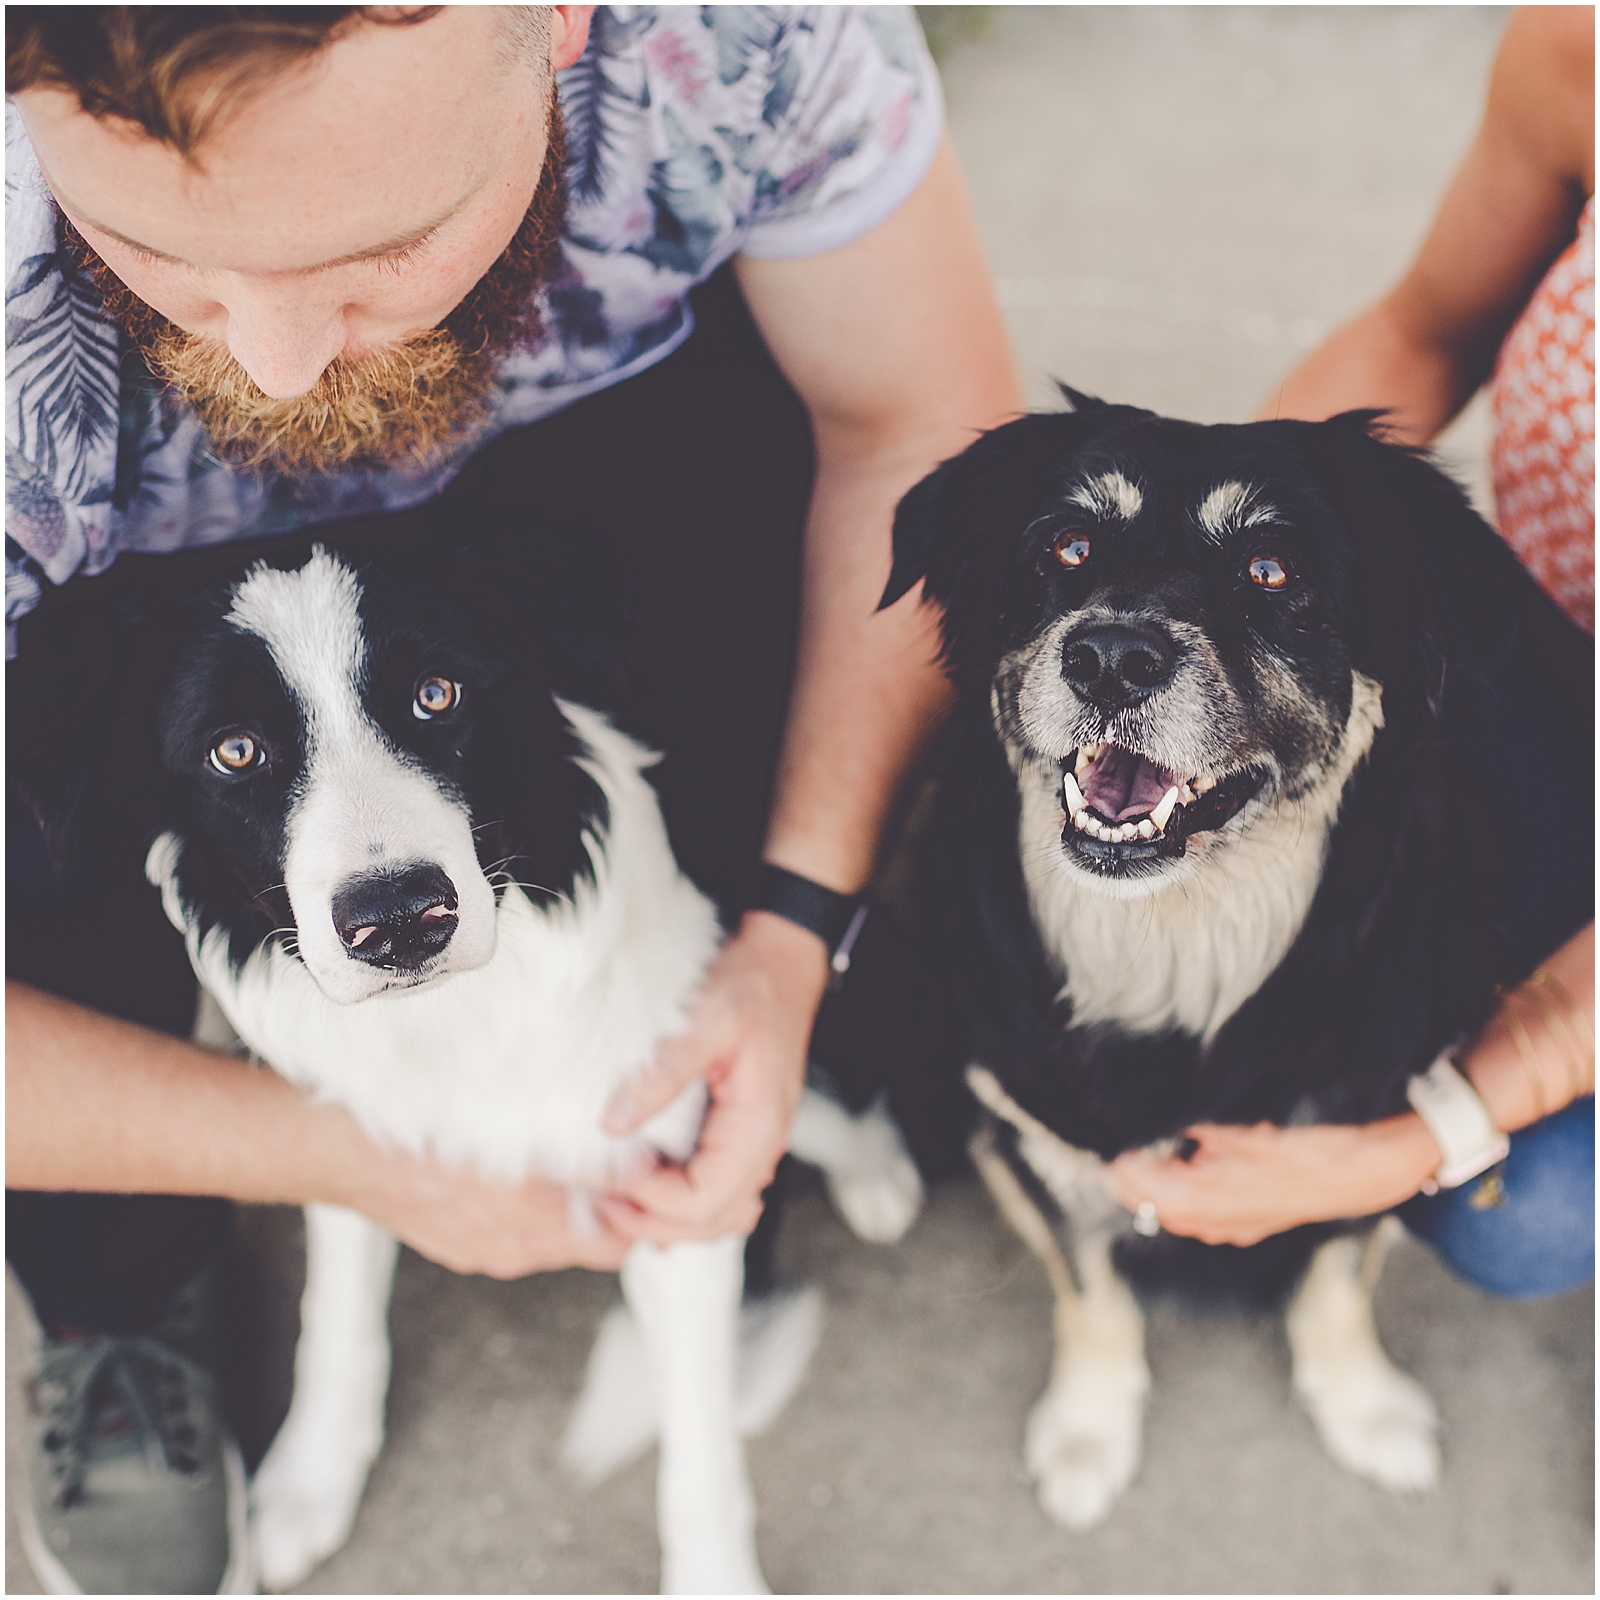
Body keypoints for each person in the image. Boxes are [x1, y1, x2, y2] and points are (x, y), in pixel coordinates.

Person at [4, 7, 1022, 1592]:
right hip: (96, 558)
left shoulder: (750, 31)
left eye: (379, 242)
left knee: (758, 639)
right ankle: (112, 1303)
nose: (272, 366)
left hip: (590, 422)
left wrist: (794, 921)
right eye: (158, 248)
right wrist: (347, 1152)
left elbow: (917, 437)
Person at [1110, 5, 1594, 1298]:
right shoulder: (1579, 52)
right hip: (1543, 643)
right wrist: (1209, 561)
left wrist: (1402, 1145)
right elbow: (1423, 331)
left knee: (1522, 1214)